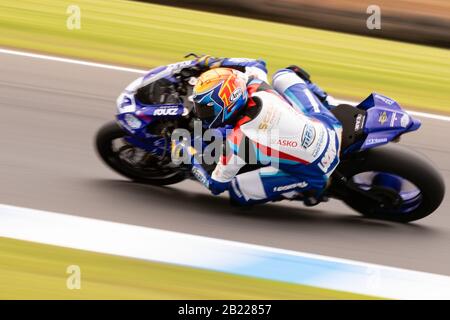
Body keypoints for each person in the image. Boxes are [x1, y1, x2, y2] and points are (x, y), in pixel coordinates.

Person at [181, 55, 343, 206]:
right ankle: (331, 104)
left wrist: (188, 155)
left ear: (227, 104)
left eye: (205, 109)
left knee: (238, 191)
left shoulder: (241, 140)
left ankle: (306, 191)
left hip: (319, 172)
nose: (201, 113)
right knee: (284, 75)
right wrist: (214, 62)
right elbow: (257, 64)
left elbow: (215, 185)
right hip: (331, 127)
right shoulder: (255, 85)